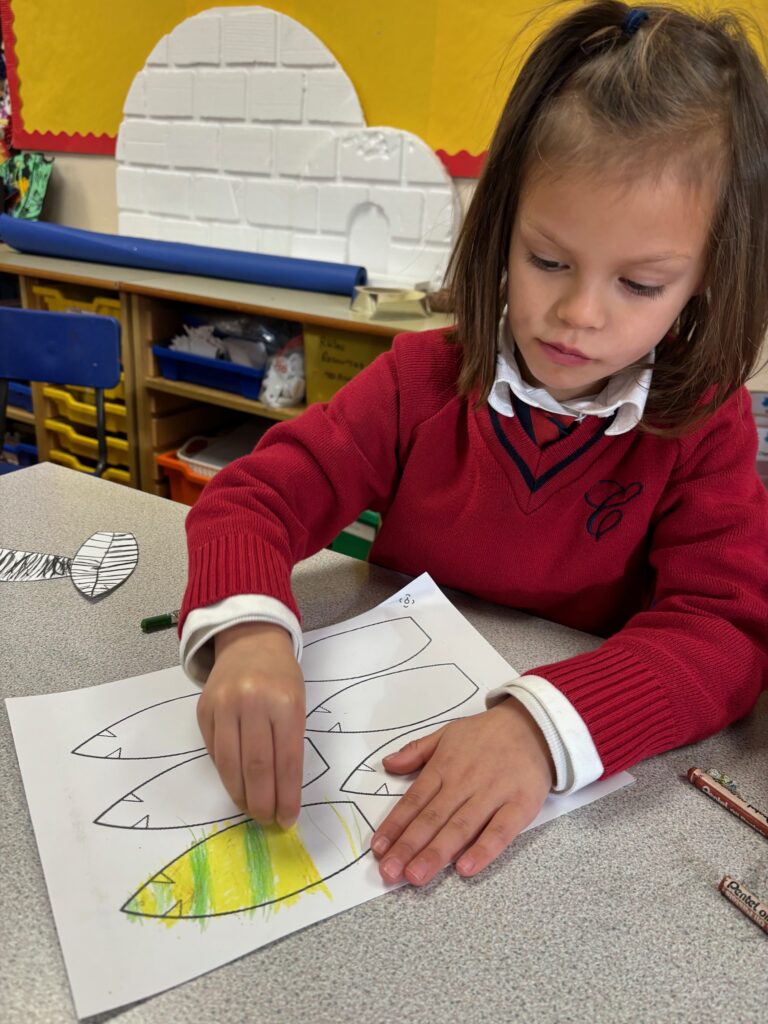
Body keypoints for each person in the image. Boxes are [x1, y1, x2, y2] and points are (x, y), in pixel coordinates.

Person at [179, 1, 768, 889]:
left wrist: (542, 727)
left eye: (640, 283)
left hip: (570, 819)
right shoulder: (420, 380)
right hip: (391, 756)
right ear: (502, 227)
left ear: (705, 281)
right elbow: (253, 497)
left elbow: (724, 629)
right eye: (547, 260)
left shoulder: (701, 428)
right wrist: (251, 627)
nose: (579, 314)